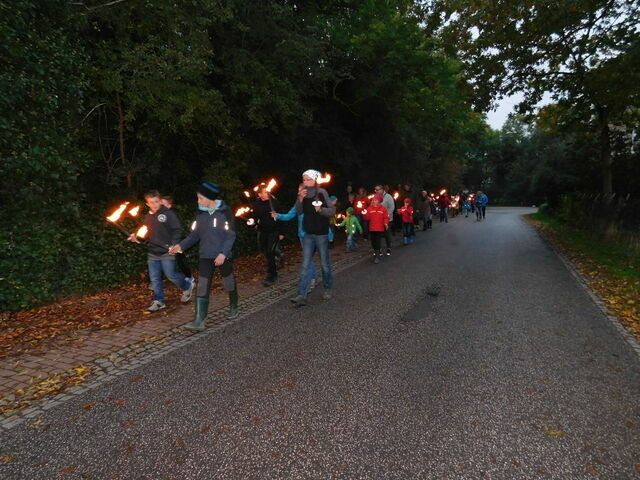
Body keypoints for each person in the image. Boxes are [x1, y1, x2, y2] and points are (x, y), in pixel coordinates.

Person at [168, 182, 238, 331]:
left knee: (228, 282)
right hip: (206, 255)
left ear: (210, 197)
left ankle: (233, 305)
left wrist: (223, 254)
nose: (198, 201)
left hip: (222, 255)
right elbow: (195, 235)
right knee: (202, 286)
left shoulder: (225, 212)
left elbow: (231, 235)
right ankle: (200, 319)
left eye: (200, 198)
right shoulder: (201, 214)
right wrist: (180, 246)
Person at [128, 190, 195, 312]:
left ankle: (187, 286)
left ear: (160, 201)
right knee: (155, 278)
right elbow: (146, 233)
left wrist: (174, 245)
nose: (154, 204)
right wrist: (136, 237)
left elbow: (177, 229)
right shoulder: (148, 216)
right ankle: (159, 301)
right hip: (153, 252)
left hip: (167, 251)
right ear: (147, 204)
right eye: (151, 202)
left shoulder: (168, 214)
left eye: (156, 201)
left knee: (171, 275)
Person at [290, 169, 335, 307]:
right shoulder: (302, 193)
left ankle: (328, 288)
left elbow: (332, 211)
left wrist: (321, 210)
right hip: (308, 234)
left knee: (324, 264)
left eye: (309, 179)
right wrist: (300, 199)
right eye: (304, 180)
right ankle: (301, 295)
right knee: (305, 265)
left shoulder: (322, 193)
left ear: (315, 180)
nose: (306, 182)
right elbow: (298, 211)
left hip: (321, 234)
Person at [274, 183, 318, 292]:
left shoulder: (312, 203)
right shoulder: (298, 204)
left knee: (307, 259)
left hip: (311, 235)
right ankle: (313, 277)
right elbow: (289, 216)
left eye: (301, 190)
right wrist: (277, 215)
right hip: (302, 236)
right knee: (308, 259)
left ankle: (308, 282)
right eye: (298, 190)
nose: (298, 192)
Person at [248, 185, 284, 286]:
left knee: (269, 252)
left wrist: (282, 232)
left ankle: (271, 275)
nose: (266, 193)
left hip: (274, 231)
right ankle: (279, 255)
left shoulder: (274, 202)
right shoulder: (257, 204)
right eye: (264, 192)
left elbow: (281, 216)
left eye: (266, 191)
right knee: (266, 252)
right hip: (263, 231)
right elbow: (254, 216)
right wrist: (252, 222)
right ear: (259, 194)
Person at [161, 195, 193, 279]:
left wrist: (174, 243)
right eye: (160, 203)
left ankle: (189, 277)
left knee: (180, 259)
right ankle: (156, 280)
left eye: (163, 204)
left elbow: (176, 229)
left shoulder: (171, 215)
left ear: (169, 206)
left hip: (175, 242)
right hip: (165, 242)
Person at [363, 194, 389, 264]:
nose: (374, 201)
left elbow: (386, 217)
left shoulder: (383, 209)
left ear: (379, 201)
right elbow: (367, 218)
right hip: (372, 228)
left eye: (375, 200)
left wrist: (386, 223)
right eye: (373, 200)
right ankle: (376, 250)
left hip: (379, 229)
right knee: (373, 241)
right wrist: (364, 214)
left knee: (377, 241)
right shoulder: (369, 208)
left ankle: (377, 256)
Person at [376, 184, 395, 255]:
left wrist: (386, 215)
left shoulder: (388, 196)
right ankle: (379, 249)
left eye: (377, 190)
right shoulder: (375, 197)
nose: (376, 191)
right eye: (375, 190)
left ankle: (388, 248)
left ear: (382, 189)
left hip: (388, 219)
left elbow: (392, 207)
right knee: (379, 235)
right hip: (378, 219)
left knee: (387, 234)